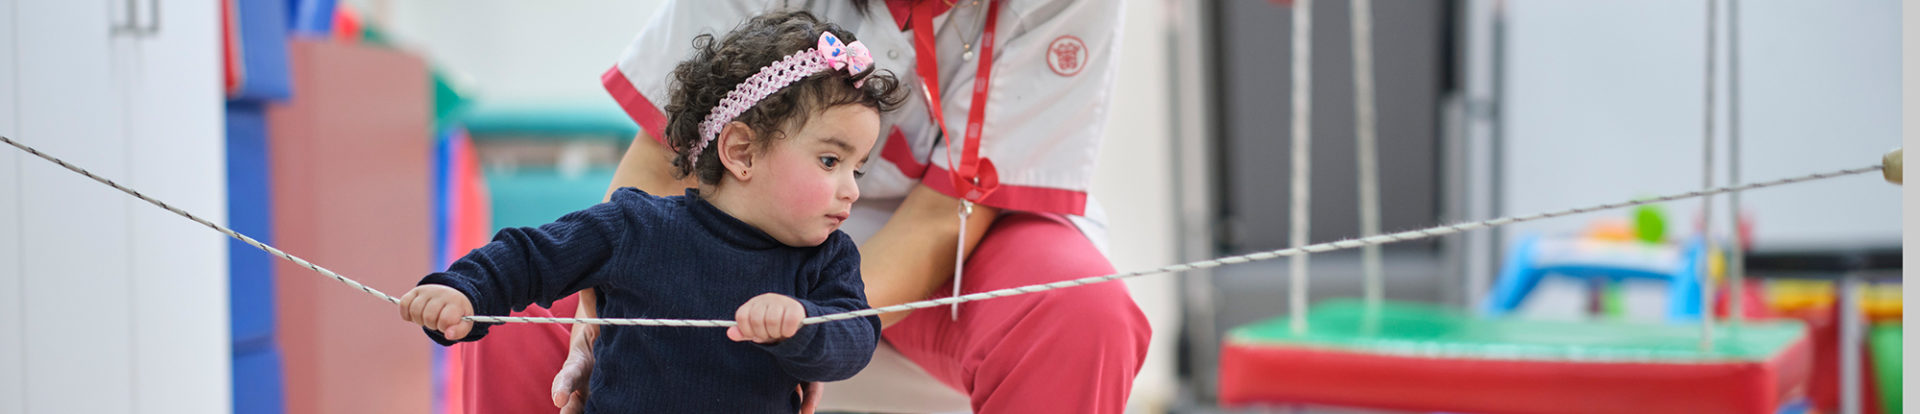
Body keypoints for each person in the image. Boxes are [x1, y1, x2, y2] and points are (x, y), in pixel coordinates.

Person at [460, 1, 1148, 413]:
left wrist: (813, 330)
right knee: (525, 305)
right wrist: (600, 310)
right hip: (753, 228)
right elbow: (662, 158)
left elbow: (945, 216)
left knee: (1081, 308)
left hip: (959, 233)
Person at [399, 11, 906, 412]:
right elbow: (532, 256)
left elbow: (856, 335)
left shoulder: (826, 258)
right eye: (830, 161)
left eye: (856, 170)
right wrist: (463, 288)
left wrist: (804, 324)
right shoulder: (635, 226)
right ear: (742, 152)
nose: (851, 191)